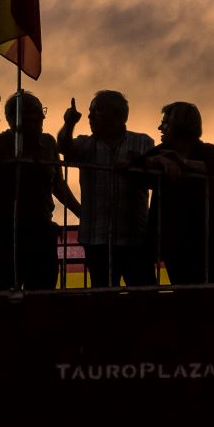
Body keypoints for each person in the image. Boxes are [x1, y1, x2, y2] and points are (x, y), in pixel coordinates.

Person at [0, 91, 81, 291]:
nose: (42, 117)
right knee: (2, 295)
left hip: (41, 231)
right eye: (34, 112)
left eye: (41, 111)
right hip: (6, 233)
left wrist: (81, 212)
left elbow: (58, 184)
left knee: (42, 295)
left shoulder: (48, 143)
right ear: (13, 118)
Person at [57, 90, 155, 287]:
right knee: (103, 299)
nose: (90, 116)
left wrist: (133, 166)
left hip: (135, 239)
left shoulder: (143, 142)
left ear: (119, 115)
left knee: (144, 300)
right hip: (97, 239)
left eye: (97, 110)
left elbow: (153, 175)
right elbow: (64, 147)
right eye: (90, 111)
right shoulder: (86, 144)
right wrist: (69, 124)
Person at [137, 102, 214, 285]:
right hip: (174, 244)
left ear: (181, 127)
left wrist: (181, 162)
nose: (160, 127)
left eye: (165, 123)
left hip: (206, 244)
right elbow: (131, 164)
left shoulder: (207, 151)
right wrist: (158, 160)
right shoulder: (162, 152)